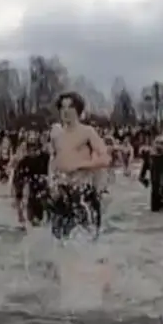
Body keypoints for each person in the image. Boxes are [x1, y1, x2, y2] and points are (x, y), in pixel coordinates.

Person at [48, 92, 110, 240]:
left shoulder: (87, 132)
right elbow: (53, 161)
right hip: (62, 191)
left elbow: (105, 159)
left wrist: (81, 165)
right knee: (59, 242)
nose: (65, 111)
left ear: (78, 111)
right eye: (62, 107)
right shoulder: (56, 134)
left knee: (88, 239)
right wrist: (51, 184)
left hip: (83, 191)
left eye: (70, 107)